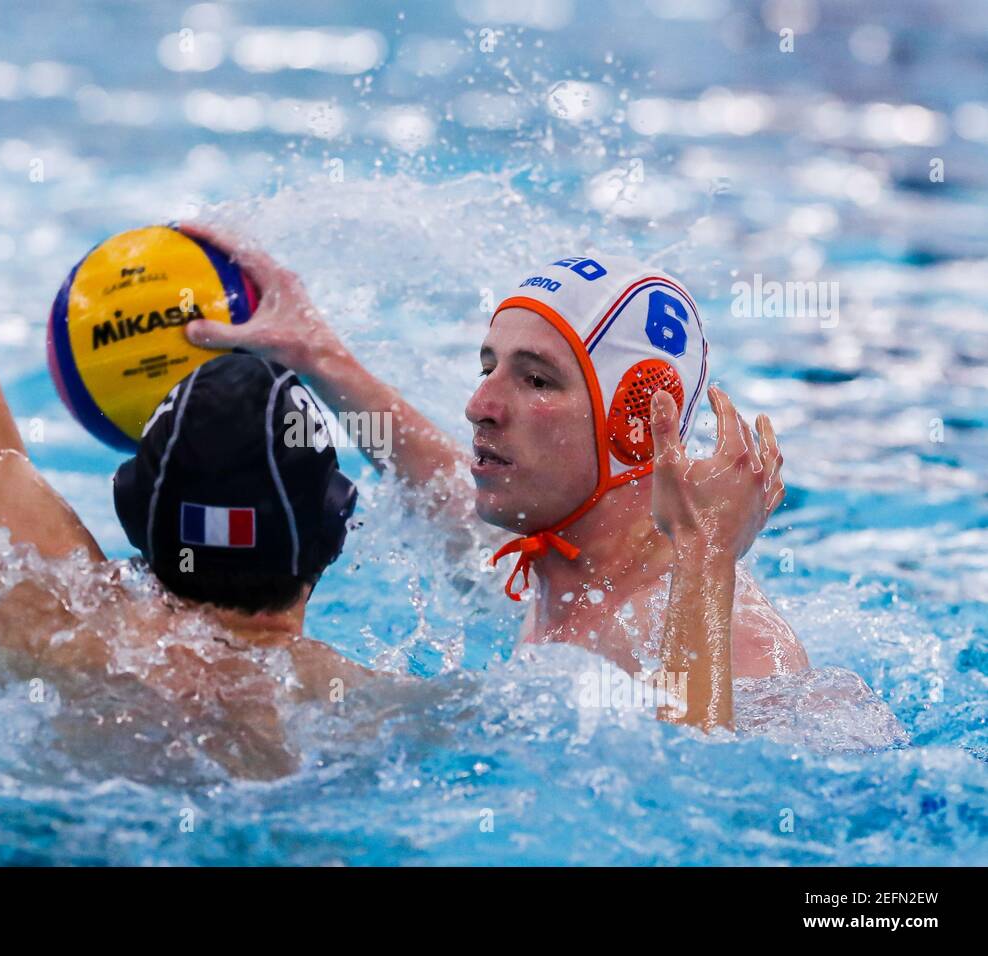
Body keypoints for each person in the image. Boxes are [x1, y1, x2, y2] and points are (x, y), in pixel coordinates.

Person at [0, 1, 372, 779]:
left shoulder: (46, 621)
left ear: (134, 506)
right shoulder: (374, 713)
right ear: (336, 527)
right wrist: (331, 361)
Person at [183, 231, 810, 732]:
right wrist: (316, 356)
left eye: (535, 379)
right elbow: (426, 476)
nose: (479, 404)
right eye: (488, 366)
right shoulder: (553, 556)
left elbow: (700, 810)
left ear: (637, 425)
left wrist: (706, 557)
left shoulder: (736, 646)